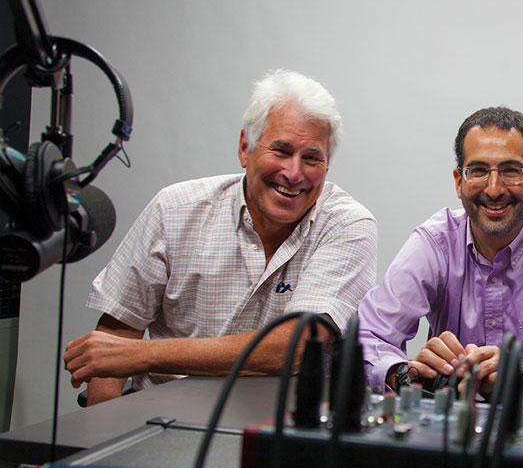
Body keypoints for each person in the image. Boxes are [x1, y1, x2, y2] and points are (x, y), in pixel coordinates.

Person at [64, 70, 377, 405]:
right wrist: (103, 442)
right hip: (163, 421)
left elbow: (297, 347)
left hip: (283, 434)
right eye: (282, 151)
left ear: (327, 165)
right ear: (245, 147)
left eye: (312, 158)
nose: (294, 173)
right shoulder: (174, 210)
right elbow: (117, 335)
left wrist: (146, 355)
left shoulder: (347, 225)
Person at [359, 106, 523, 402]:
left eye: (510, 171)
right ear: (459, 181)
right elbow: (366, 338)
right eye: (479, 171)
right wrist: (405, 375)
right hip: (447, 433)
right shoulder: (435, 242)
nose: (493, 189)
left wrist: (520, 382)